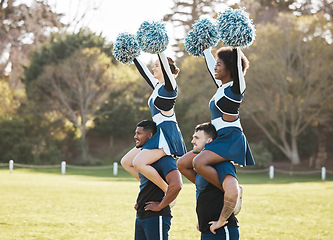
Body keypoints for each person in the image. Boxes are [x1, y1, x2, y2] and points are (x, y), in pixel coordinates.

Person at [184, 46, 255, 192]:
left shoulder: (236, 89)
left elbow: (236, 62)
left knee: (198, 162)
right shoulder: (221, 87)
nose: (215, 67)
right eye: (216, 64)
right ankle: (210, 189)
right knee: (183, 163)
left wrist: (235, 43)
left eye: (219, 64)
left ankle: (229, 192)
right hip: (217, 137)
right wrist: (206, 50)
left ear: (229, 68)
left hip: (230, 138)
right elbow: (211, 67)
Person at [121, 52, 186, 194]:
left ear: (165, 69)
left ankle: (168, 191)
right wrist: (133, 55)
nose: (153, 68)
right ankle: (153, 187)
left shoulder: (170, 88)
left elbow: (167, 74)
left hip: (167, 133)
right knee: (126, 162)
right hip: (157, 133)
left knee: (138, 163)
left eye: (157, 65)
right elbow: (144, 72)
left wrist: (160, 49)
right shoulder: (158, 86)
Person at [178, 122, 240, 239]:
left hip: (222, 230)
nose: (193, 141)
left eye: (196, 138)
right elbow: (181, 164)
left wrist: (221, 221)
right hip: (207, 229)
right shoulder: (204, 166)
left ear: (209, 141)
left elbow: (233, 192)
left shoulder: (222, 163)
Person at [133, 120, 182, 240]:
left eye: (139, 133)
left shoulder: (165, 159)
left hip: (156, 216)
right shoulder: (145, 160)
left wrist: (161, 205)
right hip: (142, 215)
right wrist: (141, 200)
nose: (135, 136)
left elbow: (177, 184)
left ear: (150, 136)